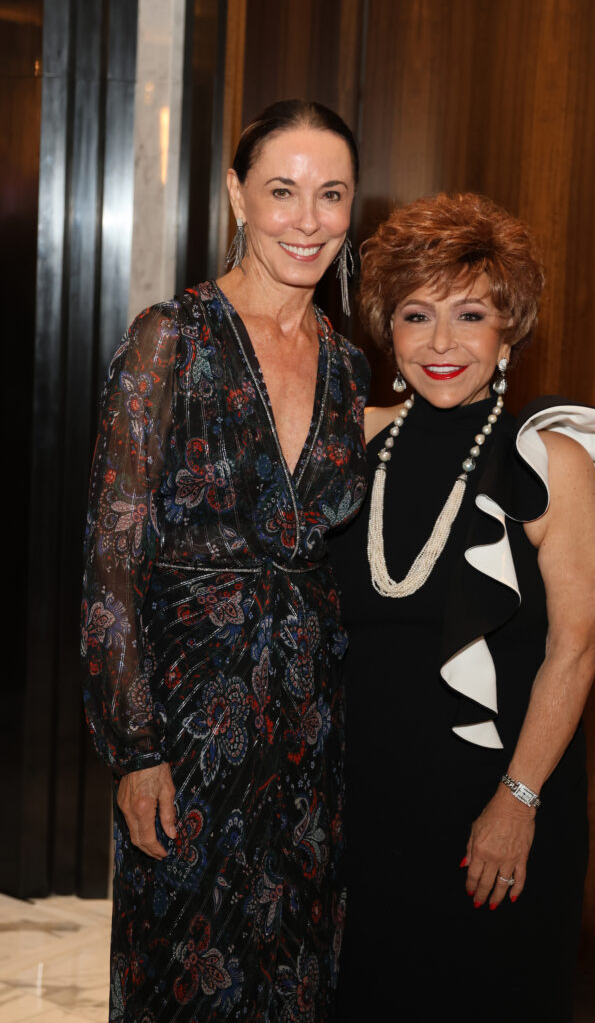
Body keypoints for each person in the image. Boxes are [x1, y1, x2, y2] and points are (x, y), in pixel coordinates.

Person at [81, 99, 369, 1022]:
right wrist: (134, 752)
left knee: (294, 978)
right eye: (283, 191)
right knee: (182, 979)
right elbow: (111, 570)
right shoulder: (170, 338)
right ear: (238, 195)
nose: (308, 219)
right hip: (190, 732)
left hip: (310, 732)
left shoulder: (350, 364)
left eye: (331, 195)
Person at [329, 192, 595, 1021]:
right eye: (416, 315)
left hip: (494, 805)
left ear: (508, 330)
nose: (440, 343)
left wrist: (516, 802)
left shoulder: (550, 458)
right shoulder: (352, 444)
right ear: (386, 331)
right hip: (366, 805)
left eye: (470, 315)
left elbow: (575, 650)